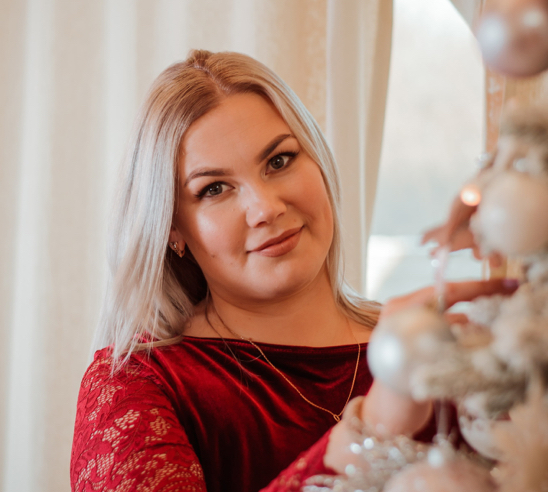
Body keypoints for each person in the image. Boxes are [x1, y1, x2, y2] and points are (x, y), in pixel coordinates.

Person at [70, 50, 517, 492]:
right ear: (172, 228)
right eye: (215, 188)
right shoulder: (135, 383)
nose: (265, 208)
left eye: (279, 161)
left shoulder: (441, 352)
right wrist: (373, 430)